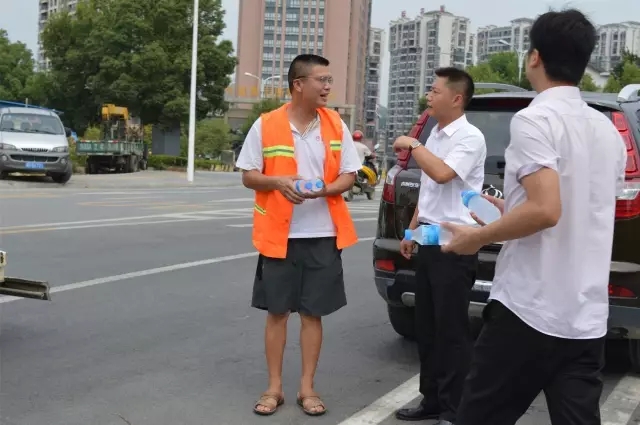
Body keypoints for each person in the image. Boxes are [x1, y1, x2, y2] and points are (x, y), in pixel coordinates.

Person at [441, 9, 628, 425]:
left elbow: (546, 209)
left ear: (534, 57)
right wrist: (512, 211)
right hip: (585, 317)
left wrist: (476, 237)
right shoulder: (607, 131)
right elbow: (583, 206)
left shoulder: (534, 120)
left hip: (528, 310)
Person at [235, 54, 363, 417]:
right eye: (322, 80)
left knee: (312, 314)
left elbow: (349, 174)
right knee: (277, 313)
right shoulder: (266, 124)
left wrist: (325, 190)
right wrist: (278, 182)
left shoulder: (335, 124)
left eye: (329, 80)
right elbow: (248, 175)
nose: (327, 87)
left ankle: (307, 387)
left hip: (322, 233)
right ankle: (273, 387)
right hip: (280, 235)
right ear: (298, 84)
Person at [392, 67, 487, 425]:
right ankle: (431, 399)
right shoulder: (435, 133)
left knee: (452, 331)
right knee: (427, 327)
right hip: (429, 240)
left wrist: (413, 144)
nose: (428, 97)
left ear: (456, 98)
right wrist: (411, 231)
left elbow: (443, 174)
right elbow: (429, 191)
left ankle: (453, 408)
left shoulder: (470, 137)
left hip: (455, 245)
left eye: (434, 91)